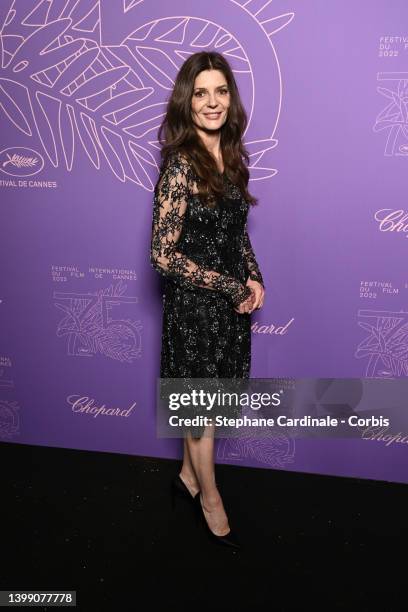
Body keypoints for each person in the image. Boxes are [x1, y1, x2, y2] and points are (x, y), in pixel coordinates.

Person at [150, 51, 265, 549]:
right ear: (187, 101)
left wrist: (255, 278)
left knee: (208, 404)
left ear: (230, 99)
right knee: (202, 413)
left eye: (220, 91)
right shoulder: (180, 168)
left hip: (227, 310)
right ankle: (210, 500)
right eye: (201, 93)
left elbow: (236, 236)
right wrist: (227, 285)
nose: (212, 102)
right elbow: (161, 254)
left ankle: (188, 479)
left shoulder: (233, 158)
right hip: (194, 309)